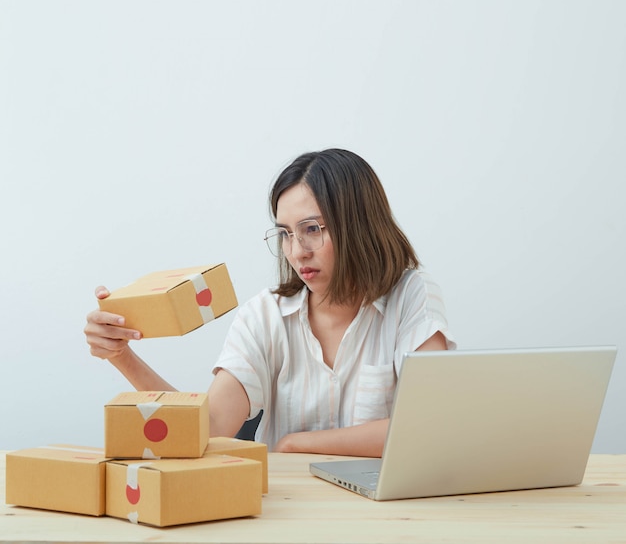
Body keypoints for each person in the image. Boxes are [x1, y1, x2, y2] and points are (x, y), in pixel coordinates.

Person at [85, 148, 455, 456]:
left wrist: (298, 445)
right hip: (289, 514)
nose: (297, 252)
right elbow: (209, 428)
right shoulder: (265, 316)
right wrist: (122, 355)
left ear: (358, 225)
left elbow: (432, 423)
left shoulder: (411, 295)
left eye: (312, 229)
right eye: (285, 234)